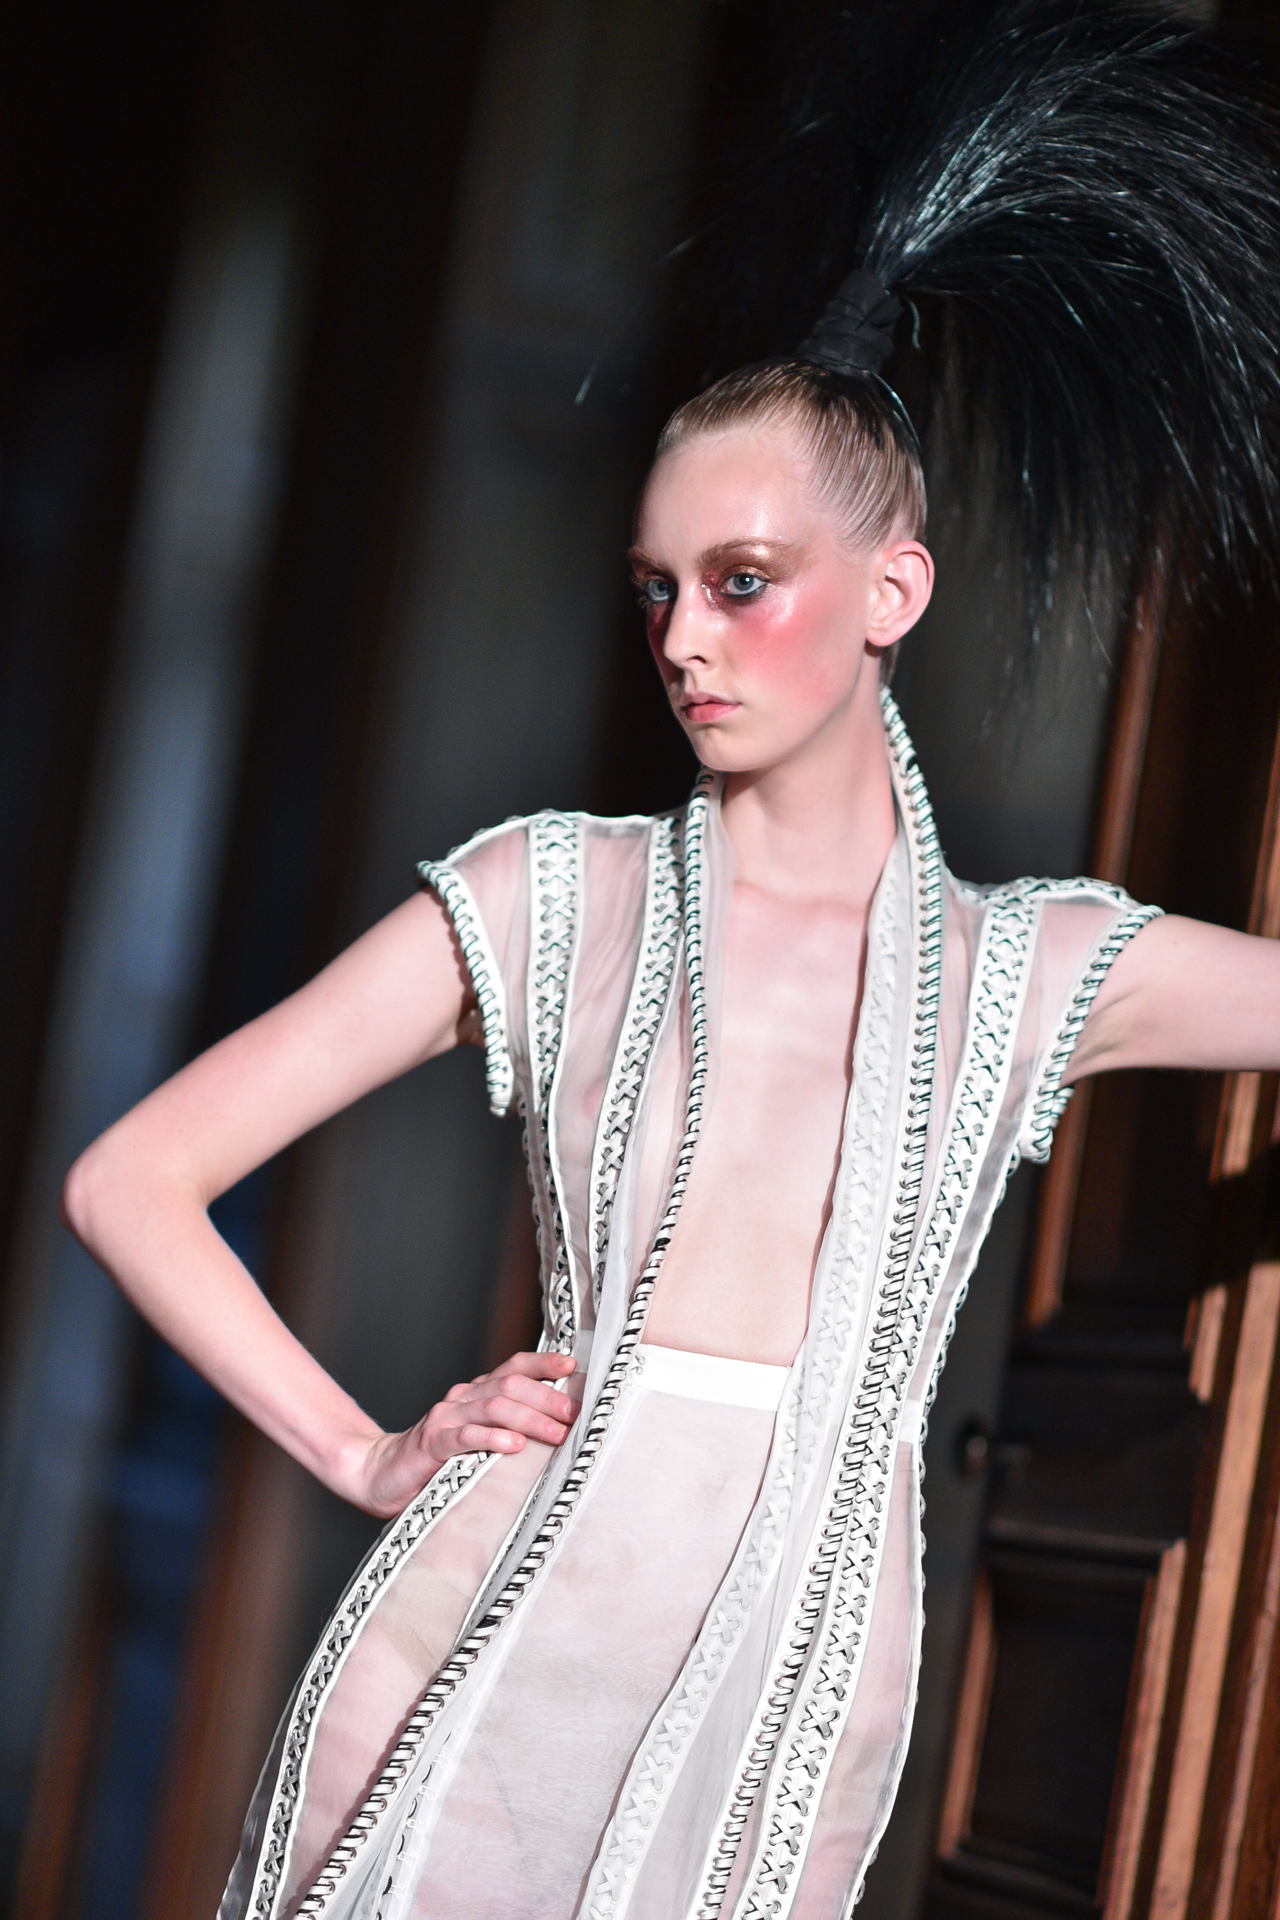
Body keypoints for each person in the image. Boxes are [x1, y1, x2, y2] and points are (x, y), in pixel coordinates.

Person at [58, 6, 1280, 1917]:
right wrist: (368, 1455)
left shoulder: (1026, 974)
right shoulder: (554, 897)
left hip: (787, 1705)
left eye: (742, 582)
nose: (686, 638)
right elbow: (128, 1179)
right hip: (479, 1649)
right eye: (658, 587)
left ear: (892, 593)